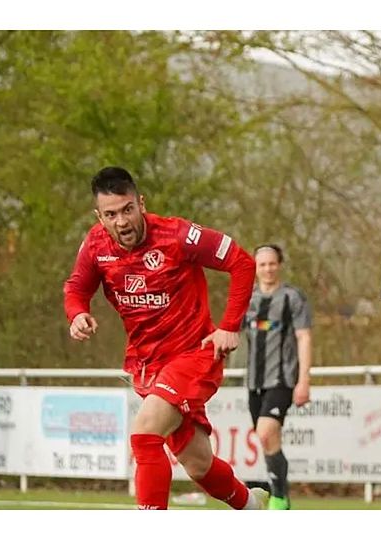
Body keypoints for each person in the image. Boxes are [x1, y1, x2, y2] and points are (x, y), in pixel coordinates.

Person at [63, 166, 268, 510]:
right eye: (111, 214)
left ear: (140, 203)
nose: (122, 221)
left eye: (128, 209)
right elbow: (76, 287)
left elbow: (242, 262)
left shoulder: (178, 236)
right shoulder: (96, 244)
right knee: (198, 464)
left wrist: (229, 325)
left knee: (144, 435)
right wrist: (77, 313)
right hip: (148, 366)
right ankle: (252, 507)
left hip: (195, 355)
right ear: (99, 216)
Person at [243, 244, 313, 510]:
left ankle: (279, 497)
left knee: (266, 431)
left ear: (279, 265)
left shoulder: (293, 298)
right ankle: (279, 493)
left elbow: (304, 337)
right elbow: (231, 334)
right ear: (256, 268)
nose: (268, 269)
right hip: (254, 382)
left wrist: (303, 380)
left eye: (272, 264)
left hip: (283, 379)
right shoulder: (247, 300)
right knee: (266, 439)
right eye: (262, 265)